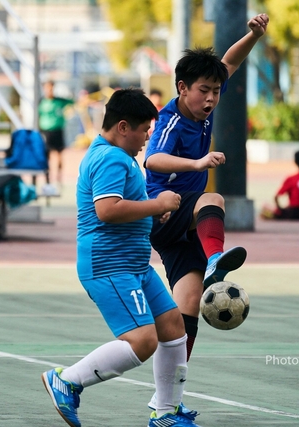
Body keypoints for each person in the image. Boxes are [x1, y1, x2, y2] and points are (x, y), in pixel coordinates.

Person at [41, 89, 201, 427]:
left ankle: (166, 413)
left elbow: (124, 206)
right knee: (143, 340)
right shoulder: (111, 158)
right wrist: (158, 205)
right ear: (123, 126)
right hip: (109, 265)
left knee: (173, 327)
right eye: (145, 130)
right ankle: (67, 379)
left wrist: (150, 215)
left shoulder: (117, 156)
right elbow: (107, 210)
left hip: (133, 264)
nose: (148, 138)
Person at [143, 14, 268, 413]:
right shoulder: (172, 118)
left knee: (186, 314)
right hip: (166, 215)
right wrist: (197, 165)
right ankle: (216, 258)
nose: (212, 98)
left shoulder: (205, 106)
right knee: (213, 201)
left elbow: (229, 61)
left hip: (184, 232)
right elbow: (153, 159)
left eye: (216, 90)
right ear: (182, 88)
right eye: (204, 91)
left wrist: (252, 35)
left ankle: (166, 403)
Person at [260, 149, 299, 220]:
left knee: (264, 205)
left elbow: (276, 196)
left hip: (294, 213)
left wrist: (279, 208)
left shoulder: (291, 178)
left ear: (295, 161)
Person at [38, 80, 74, 186]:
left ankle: (59, 177)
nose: (49, 90)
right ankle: (47, 178)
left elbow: (72, 102)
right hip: (45, 131)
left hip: (57, 130)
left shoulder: (60, 100)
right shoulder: (41, 101)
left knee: (59, 155)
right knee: (46, 156)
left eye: (51, 88)